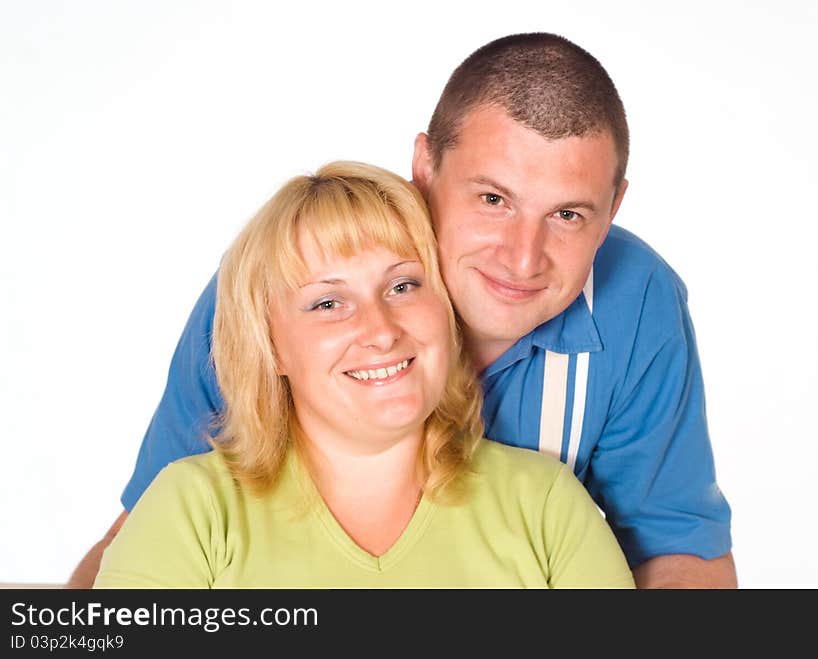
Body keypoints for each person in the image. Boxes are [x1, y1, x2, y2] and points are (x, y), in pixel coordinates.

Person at [72, 32, 735, 589]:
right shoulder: (275, 285)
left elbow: (680, 551)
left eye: (566, 214)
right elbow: (147, 536)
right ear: (424, 167)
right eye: (493, 199)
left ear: (613, 208)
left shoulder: (634, 307)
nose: (522, 258)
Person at [92, 162, 635, 588]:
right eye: (328, 303)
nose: (380, 330)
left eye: (403, 287)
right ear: (270, 344)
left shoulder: (548, 508)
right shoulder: (193, 511)